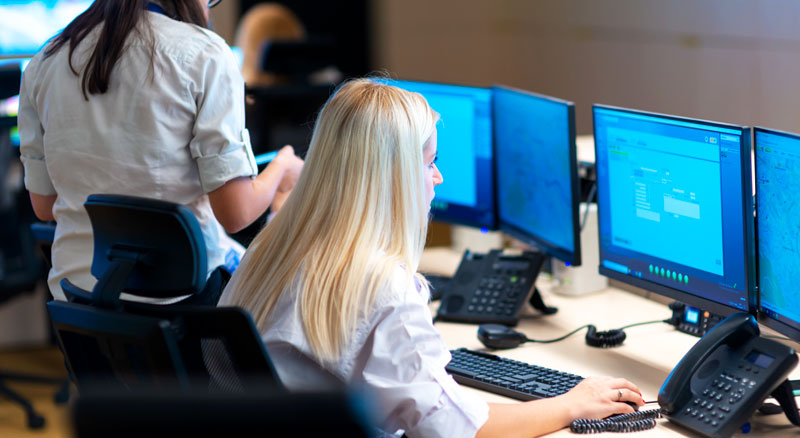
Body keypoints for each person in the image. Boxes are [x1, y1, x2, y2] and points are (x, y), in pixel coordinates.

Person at [218, 78, 645, 437]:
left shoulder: (273, 248)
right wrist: (571, 404)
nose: (437, 176)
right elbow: (459, 430)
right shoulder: (379, 284)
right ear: (395, 177)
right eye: (429, 163)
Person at [18, 0, 303, 301]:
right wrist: (283, 164)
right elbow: (236, 213)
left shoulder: (44, 60)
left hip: (78, 299)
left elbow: (45, 205)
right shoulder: (205, 54)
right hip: (180, 303)